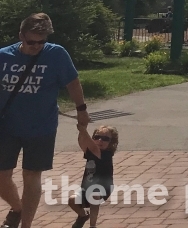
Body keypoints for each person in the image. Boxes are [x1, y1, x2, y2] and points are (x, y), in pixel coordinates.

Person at [0, 13, 98, 228]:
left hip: (41, 127)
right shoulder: (3, 56)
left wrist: (81, 110)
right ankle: (17, 208)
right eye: (31, 41)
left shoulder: (56, 55)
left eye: (41, 41)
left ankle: (26, 224)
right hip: (7, 126)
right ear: (20, 36)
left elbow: (72, 82)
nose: (36, 46)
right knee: (2, 176)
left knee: (31, 174)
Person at [68, 126, 117, 228]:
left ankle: (92, 225)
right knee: (72, 200)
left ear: (111, 142)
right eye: (97, 137)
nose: (100, 140)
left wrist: (83, 130)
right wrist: (81, 132)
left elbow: (92, 147)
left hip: (103, 189)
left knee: (94, 194)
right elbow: (82, 144)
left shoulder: (106, 154)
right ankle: (82, 215)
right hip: (86, 188)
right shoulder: (92, 152)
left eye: (105, 139)